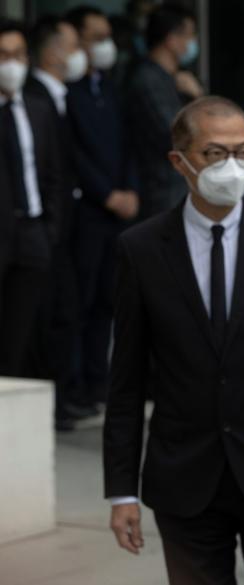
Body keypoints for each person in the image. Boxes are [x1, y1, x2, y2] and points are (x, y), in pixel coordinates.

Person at [103, 96, 244, 585]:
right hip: (183, 477)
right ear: (179, 161)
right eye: (215, 153)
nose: (232, 165)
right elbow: (125, 376)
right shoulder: (141, 248)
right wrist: (120, 491)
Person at [65, 5, 139, 414]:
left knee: (108, 303)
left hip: (120, 209)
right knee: (80, 299)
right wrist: (106, 193)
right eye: (94, 37)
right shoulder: (68, 94)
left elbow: (128, 144)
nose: (104, 45)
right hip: (90, 211)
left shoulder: (110, 88)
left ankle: (97, 383)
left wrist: (130, 189)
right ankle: (73, 387)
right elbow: (72, 152)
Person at [25, 15, 86, 430]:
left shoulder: (64, 97)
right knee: (42, 318)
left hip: (62, 227)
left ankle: (64, 397)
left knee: (66, 313)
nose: (78, 51)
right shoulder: (32, 98)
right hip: (41, 231)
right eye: (72, 43)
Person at [0, 19, 62, 377]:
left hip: (33, 234)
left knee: (21, 337)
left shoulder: (38, 108)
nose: (12, 64)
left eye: (19, 55)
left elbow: (54, 171)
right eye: (4, 55)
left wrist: (49, 227)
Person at [126, 2, 203, 219]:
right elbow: (177, 134)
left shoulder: (174, 78)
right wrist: (197, 98)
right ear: (171, 39)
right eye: (189, 35)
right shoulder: (148, 81)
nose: (192, 42)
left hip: (179, 188)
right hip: (163, 191)